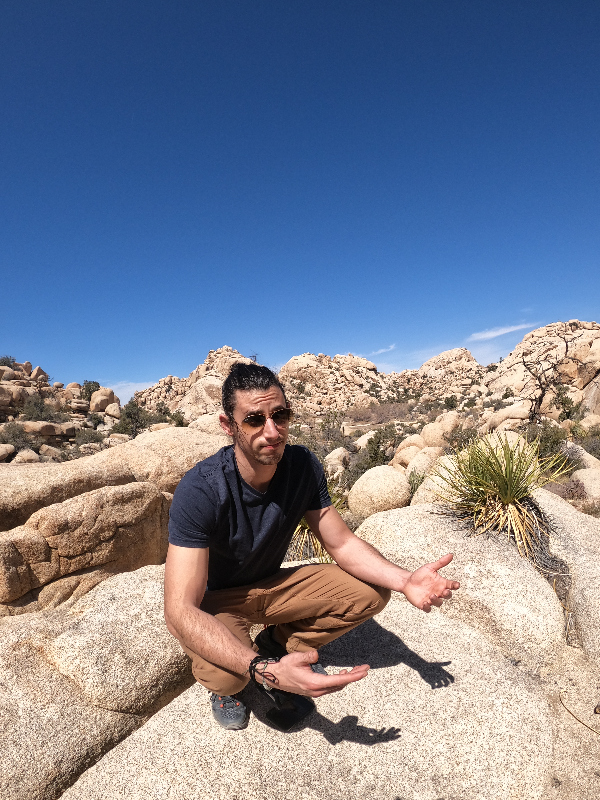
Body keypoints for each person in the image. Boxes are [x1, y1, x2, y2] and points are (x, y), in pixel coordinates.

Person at [164, 362, 460, 730]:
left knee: (371, 593)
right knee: (231, 679)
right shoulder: (202, 489)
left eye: (280, 415)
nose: (272, 431)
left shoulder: (301, 465)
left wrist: (404, 581)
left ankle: (278, 642)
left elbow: (343, 542)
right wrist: (263, 671)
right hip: (220, 600)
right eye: (254, 420)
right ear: (229, 426)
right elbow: (179, 610)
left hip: (272, 584)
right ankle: (238, 679)